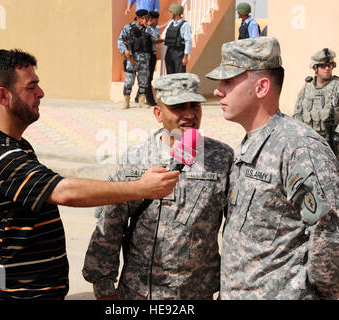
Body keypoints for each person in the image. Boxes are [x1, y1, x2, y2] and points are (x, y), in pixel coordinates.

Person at [0, 49, 180, 300]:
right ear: (3, 96)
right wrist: (141, 188)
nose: (40, 94)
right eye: (31, 87)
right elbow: (65, 192)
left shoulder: (12, 144)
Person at [206, 37, 339, 299]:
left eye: (228, 82)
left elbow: (334, 232)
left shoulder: (299, 148)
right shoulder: (253, 140)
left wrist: (320, 291)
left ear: (261, 87)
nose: (218, 91)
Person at [83, 73, 234, 300]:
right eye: (178, 107)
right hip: (140, 292)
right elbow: (110, 225)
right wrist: (104, 288)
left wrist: (230, 290)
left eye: (195, 106)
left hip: (197, 293)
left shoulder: (221, 157)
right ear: (158, 113)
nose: (190, 115)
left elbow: (234, 231)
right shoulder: (136, 159)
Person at [293, 48, 339, 174]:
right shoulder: (306, 88)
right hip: (308, 140)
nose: (327, 68)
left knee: (331, 177)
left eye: (330, 65)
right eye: (323, 66)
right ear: (315, 68)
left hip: (329, 139)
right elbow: (298, 113)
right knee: (307, 176)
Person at [118, 9, 158, 109]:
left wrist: (148, 27)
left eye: (147, 18)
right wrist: (124, 51)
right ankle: (126, 101)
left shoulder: (148, 29)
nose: (146, 20)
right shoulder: (128, 28)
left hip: (144, 59)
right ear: (139, 18)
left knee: (143, 81)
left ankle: (141, 101)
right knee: (129, 81)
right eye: (144, 18)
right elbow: (120, 40)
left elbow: (156, 38)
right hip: (131, 59)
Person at [162, 4, 192, 74]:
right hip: (169, 51)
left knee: (179, 75)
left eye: (170, 12)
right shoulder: (171, 23)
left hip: (179, 52)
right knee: (169, 74)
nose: (169, 14)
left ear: (175, 13)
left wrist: (185, 57)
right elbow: (164, 35)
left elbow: (188, 41)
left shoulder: (185, 25)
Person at [145, 11, 163, 106]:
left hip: (153, 55)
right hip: (148, 54)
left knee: (149, 77)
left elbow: (160, 27)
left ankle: (137, 97)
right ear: (150, 20)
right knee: (148, 78)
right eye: (155, 20)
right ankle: (150, 100)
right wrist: (164, 40)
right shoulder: (147, 29)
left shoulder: (154, 28)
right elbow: (154, 40)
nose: (157, 22)